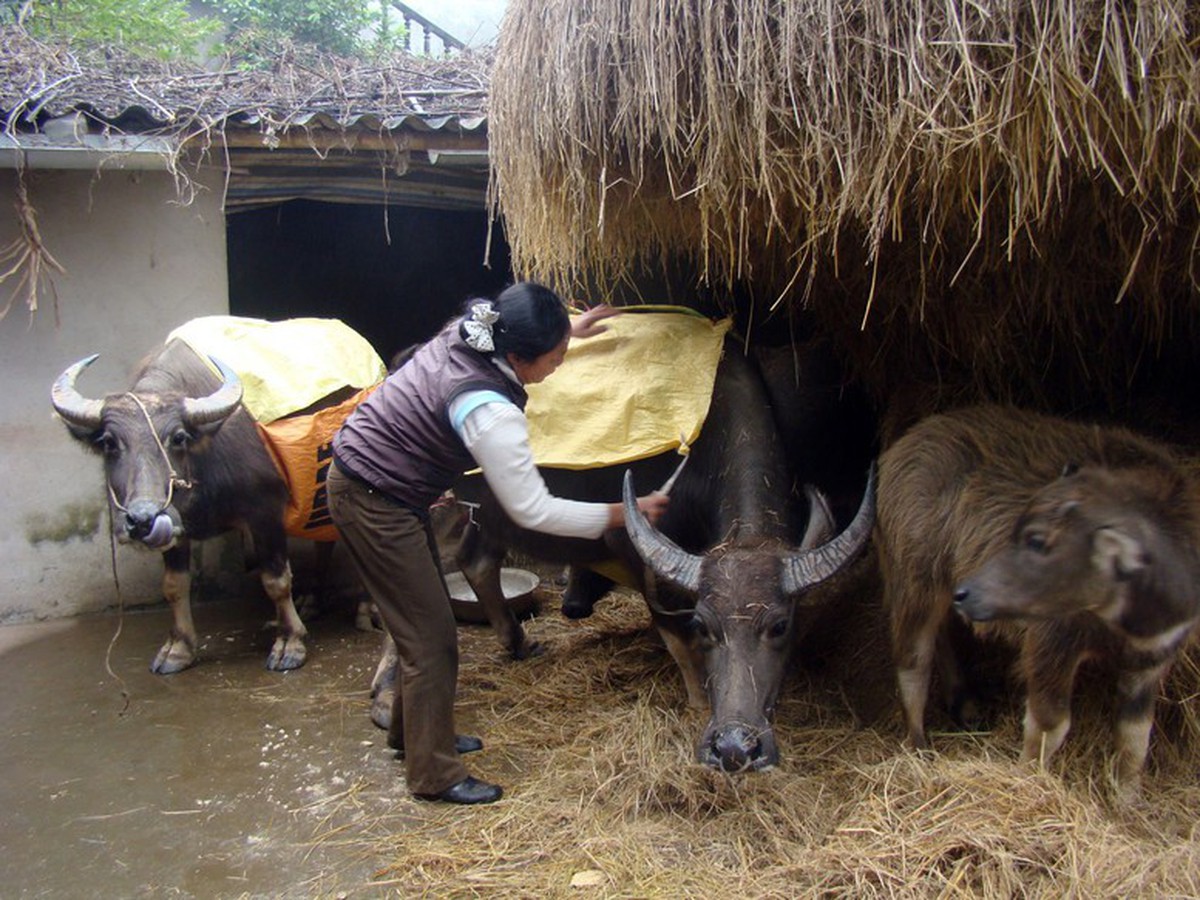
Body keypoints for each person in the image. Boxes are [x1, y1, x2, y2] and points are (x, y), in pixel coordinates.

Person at [327, 282, 670, 805]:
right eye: (555, 358)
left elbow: (521, 335)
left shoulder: (478, 329)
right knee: (431, 641)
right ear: (517, 357)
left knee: (425, 630)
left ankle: (415, 737)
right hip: (373, 499)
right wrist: (624, 513)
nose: (560, 364)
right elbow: (533, 510)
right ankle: (433, 775)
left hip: (387, 484)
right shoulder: (487, 408)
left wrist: (568, 330)